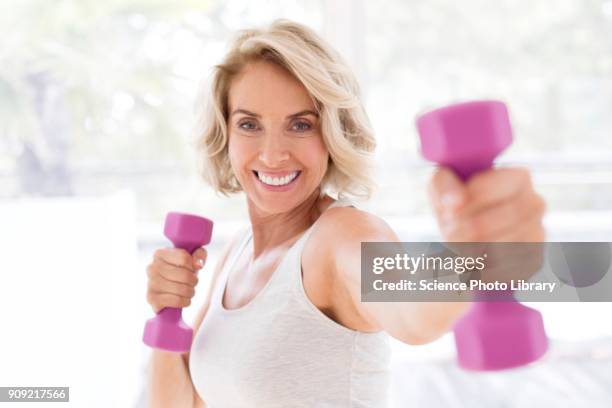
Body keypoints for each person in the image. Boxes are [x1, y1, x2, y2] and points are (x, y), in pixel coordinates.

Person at [145, 19, 546, 408]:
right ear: (226, 135)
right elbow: (184, 403)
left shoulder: (342, 237)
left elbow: (413, 313)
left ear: (333, 136)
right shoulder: (236, 251)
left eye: (300, 125)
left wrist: (464, 258)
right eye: (249, 124)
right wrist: (167, 310)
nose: (272, 153)